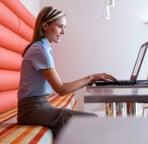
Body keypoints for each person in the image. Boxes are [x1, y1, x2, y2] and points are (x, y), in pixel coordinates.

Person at [17, 6, 117, 137]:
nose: (63, 32)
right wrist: (91, 78)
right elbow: (61, 89)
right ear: (45, 26)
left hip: (39, 106)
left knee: (69, 129)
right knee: (92, 120)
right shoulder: (40, 50)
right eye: (60, 27)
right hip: (31, 111)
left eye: (64, 27)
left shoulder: (43, 47)